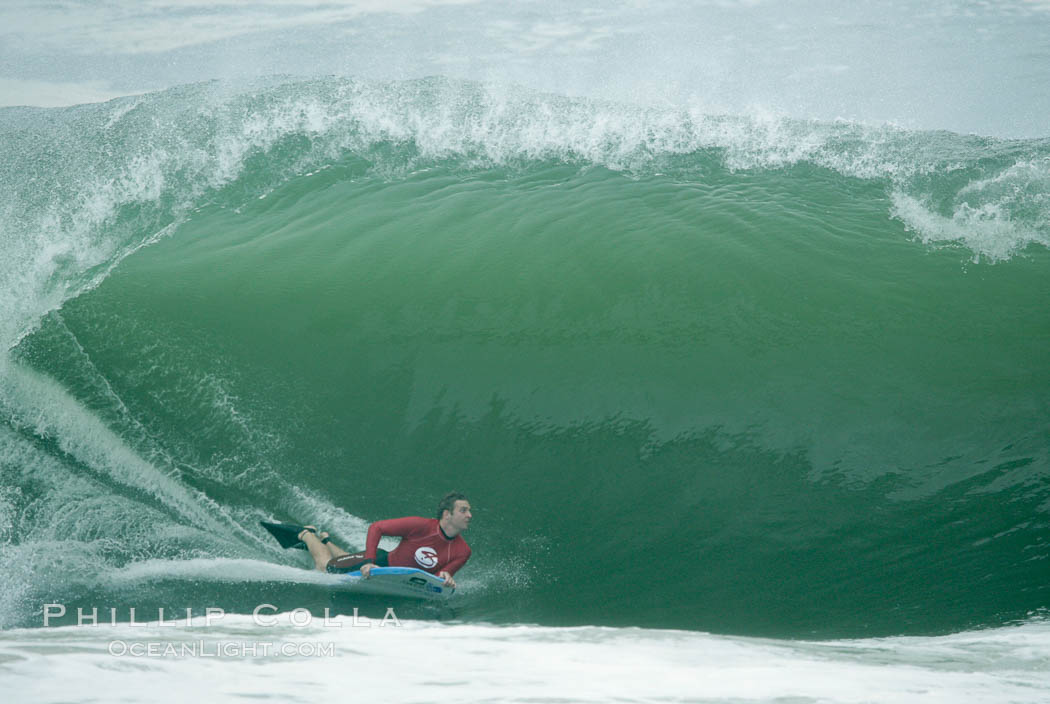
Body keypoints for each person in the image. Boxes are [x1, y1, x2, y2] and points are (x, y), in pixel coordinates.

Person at [298, 492, 472, 588]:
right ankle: (307, 534)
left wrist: (445, 580)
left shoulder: (463, 551)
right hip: (381, 563)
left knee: (348, 558)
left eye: (469, 511)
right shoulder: (421, 526)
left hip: (401, 580)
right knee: (326, 567)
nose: (469, 515)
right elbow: (377, 527)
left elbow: (437, 578)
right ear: (447, 514)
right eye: (463, 511)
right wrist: (369, 561)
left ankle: (326, 541)